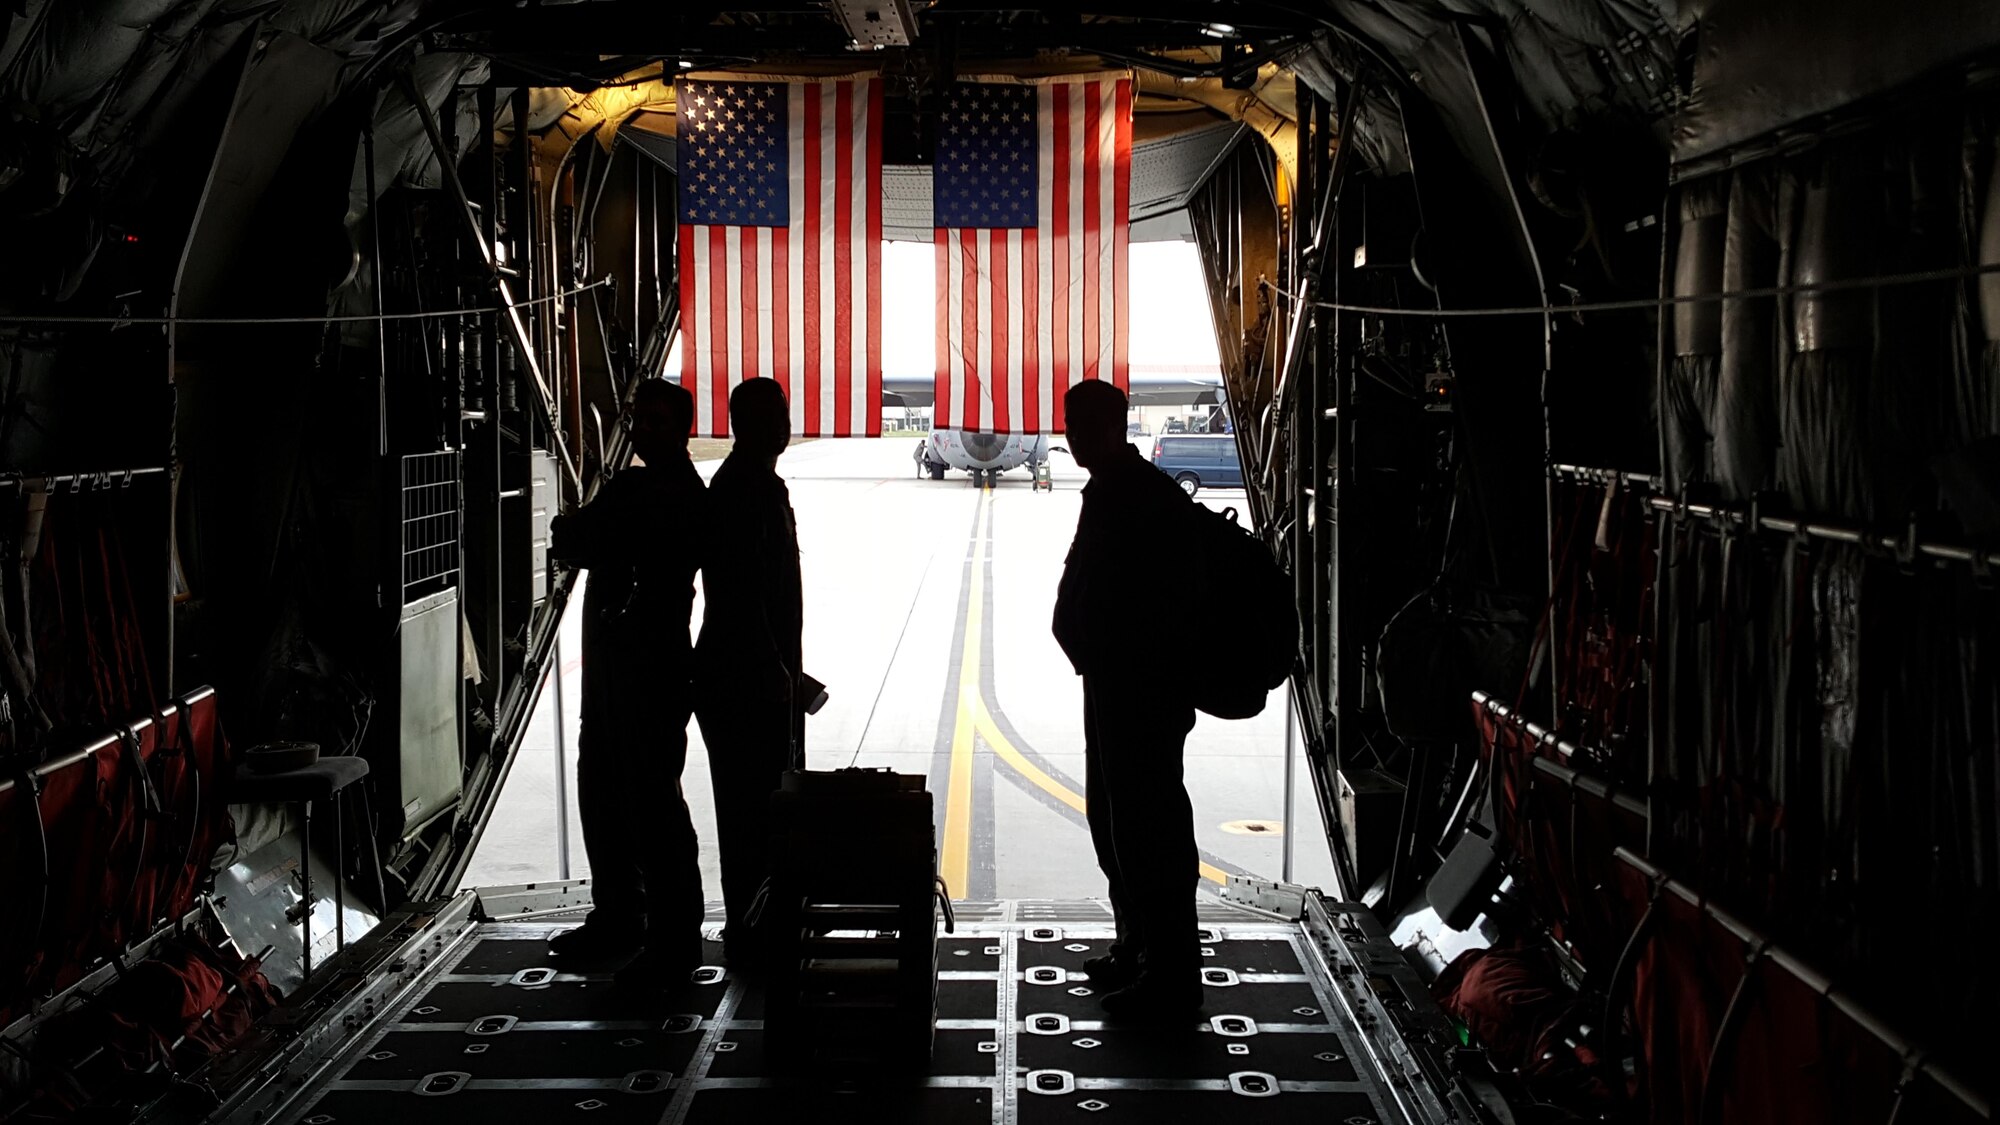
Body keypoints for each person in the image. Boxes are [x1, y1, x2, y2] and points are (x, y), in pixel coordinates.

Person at [544, 379, 707, 991]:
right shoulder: (658, 492)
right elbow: (581, 539)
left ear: (683, 428)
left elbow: (574, 538)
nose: (641, 429)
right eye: (639, 419)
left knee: (650, 807)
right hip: (622, 673)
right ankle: (624, 918)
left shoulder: (658, 493)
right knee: (609, 797)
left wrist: (587, 530)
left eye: (656, 420)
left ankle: (669, 938)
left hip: (646, 673)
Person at [1052, 379, 1204, 1019]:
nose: (1071, 437)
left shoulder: (1134, 498)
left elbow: (1141, 602)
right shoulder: (1119, 491)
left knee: (1149, 831)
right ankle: (1138, 947)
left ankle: (1170, 976)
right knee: (1116, 822)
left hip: (1140, 693)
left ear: (1108, 428)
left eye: (1080, 426)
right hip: (1116, 688)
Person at [695, 377, 805, 968]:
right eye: (768, 414)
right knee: (749, 814)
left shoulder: (758, 484)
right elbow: (738, 594)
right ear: (740, 423)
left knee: (764, 812)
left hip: (761, 679)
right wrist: (773, 669)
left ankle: (760, 923)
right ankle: (751, 930)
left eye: (783, 412)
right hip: (744, 684)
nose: (782, 424)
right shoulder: (741, 489)